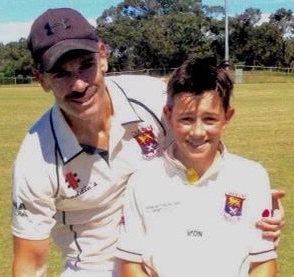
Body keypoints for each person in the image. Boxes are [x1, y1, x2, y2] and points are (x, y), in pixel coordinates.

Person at [11, 7, 285, 277]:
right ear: (41, 79)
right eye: (61, 74)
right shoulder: (36, 159)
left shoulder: (152, 97)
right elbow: (30, 264)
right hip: (93, 268)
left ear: (103, 57)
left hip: (167, 260)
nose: (79, 85)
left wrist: (249, 198)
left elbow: (202, 136)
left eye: (86, 65)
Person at [115, 56, 278, 277]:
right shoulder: (143, 181)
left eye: (209, 119)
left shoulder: (251, 176)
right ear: (168, 115)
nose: (197, 132)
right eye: (186, 119)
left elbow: (263, 262)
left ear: (227, 116)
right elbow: (130, 264)